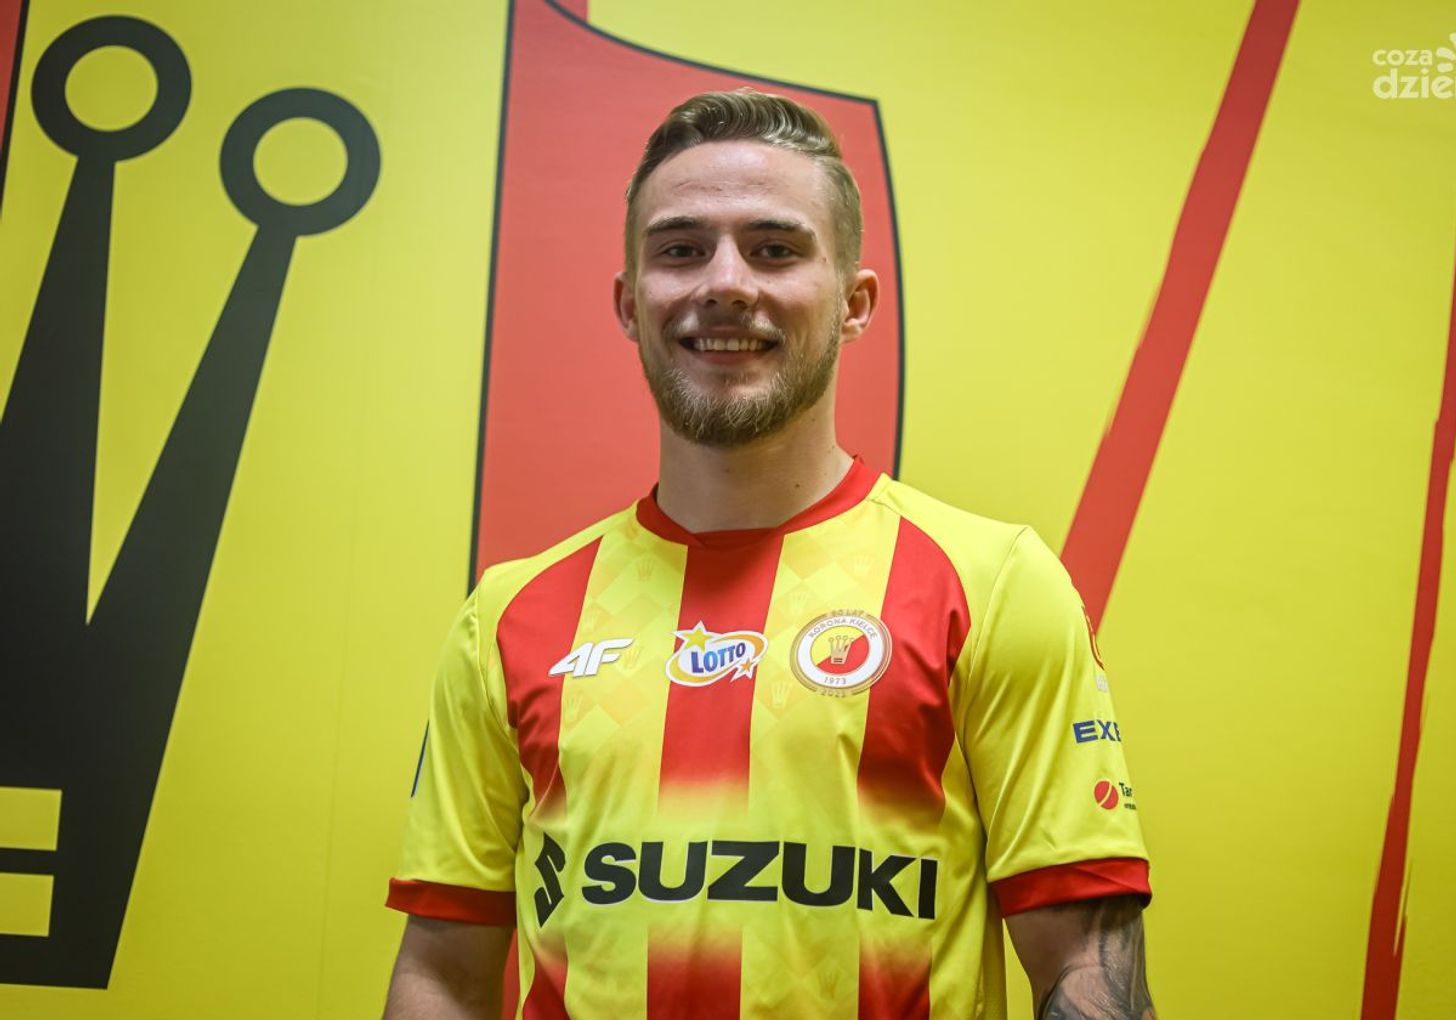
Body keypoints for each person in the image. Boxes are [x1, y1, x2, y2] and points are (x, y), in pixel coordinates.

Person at [382, 89, 1154, 1019]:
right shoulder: (509, 618)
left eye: (775, 249)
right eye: (680, 250)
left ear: (854, 303)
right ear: (630, 303)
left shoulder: (993, 585)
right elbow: (442, 975)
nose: (725, 282)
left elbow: (1083, 967)